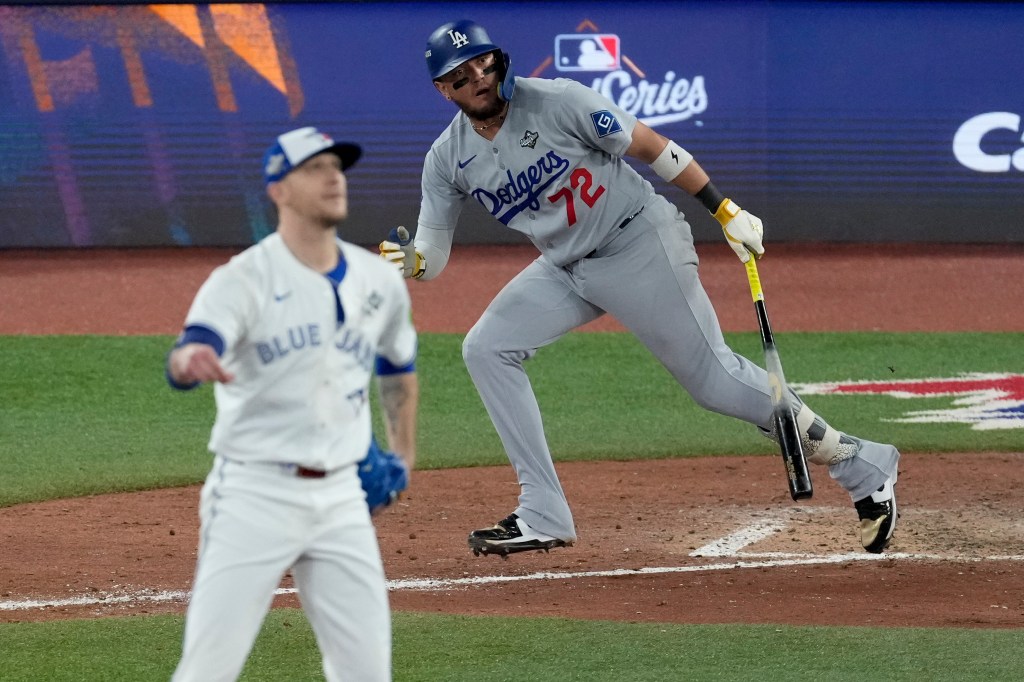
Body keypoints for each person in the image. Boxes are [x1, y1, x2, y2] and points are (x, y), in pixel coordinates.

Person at [381, 19, 898, 559]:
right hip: (567, 267)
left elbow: (654, 147)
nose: (478, 78)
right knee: (486, 348)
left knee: (715, 382)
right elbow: (432, 255)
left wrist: (724, 209)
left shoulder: (559, 101)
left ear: (498, 61)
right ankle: (542, 512)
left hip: (639, 242)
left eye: (484, 63)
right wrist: (410, 261)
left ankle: (861, 462)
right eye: (461, 76)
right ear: (444, 90)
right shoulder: (447, 159)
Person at [167, 126, 418, 681]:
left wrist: (402, 454)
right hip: (253, 495)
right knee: (208, 669)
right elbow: (195, 345)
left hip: (341, 500)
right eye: (314, 168)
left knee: (367, 674)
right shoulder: (243, 279)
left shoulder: (380, 278)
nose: (333, 177)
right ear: (278, 190)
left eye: (336, 166)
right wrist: (188, 362)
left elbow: (398, 364)